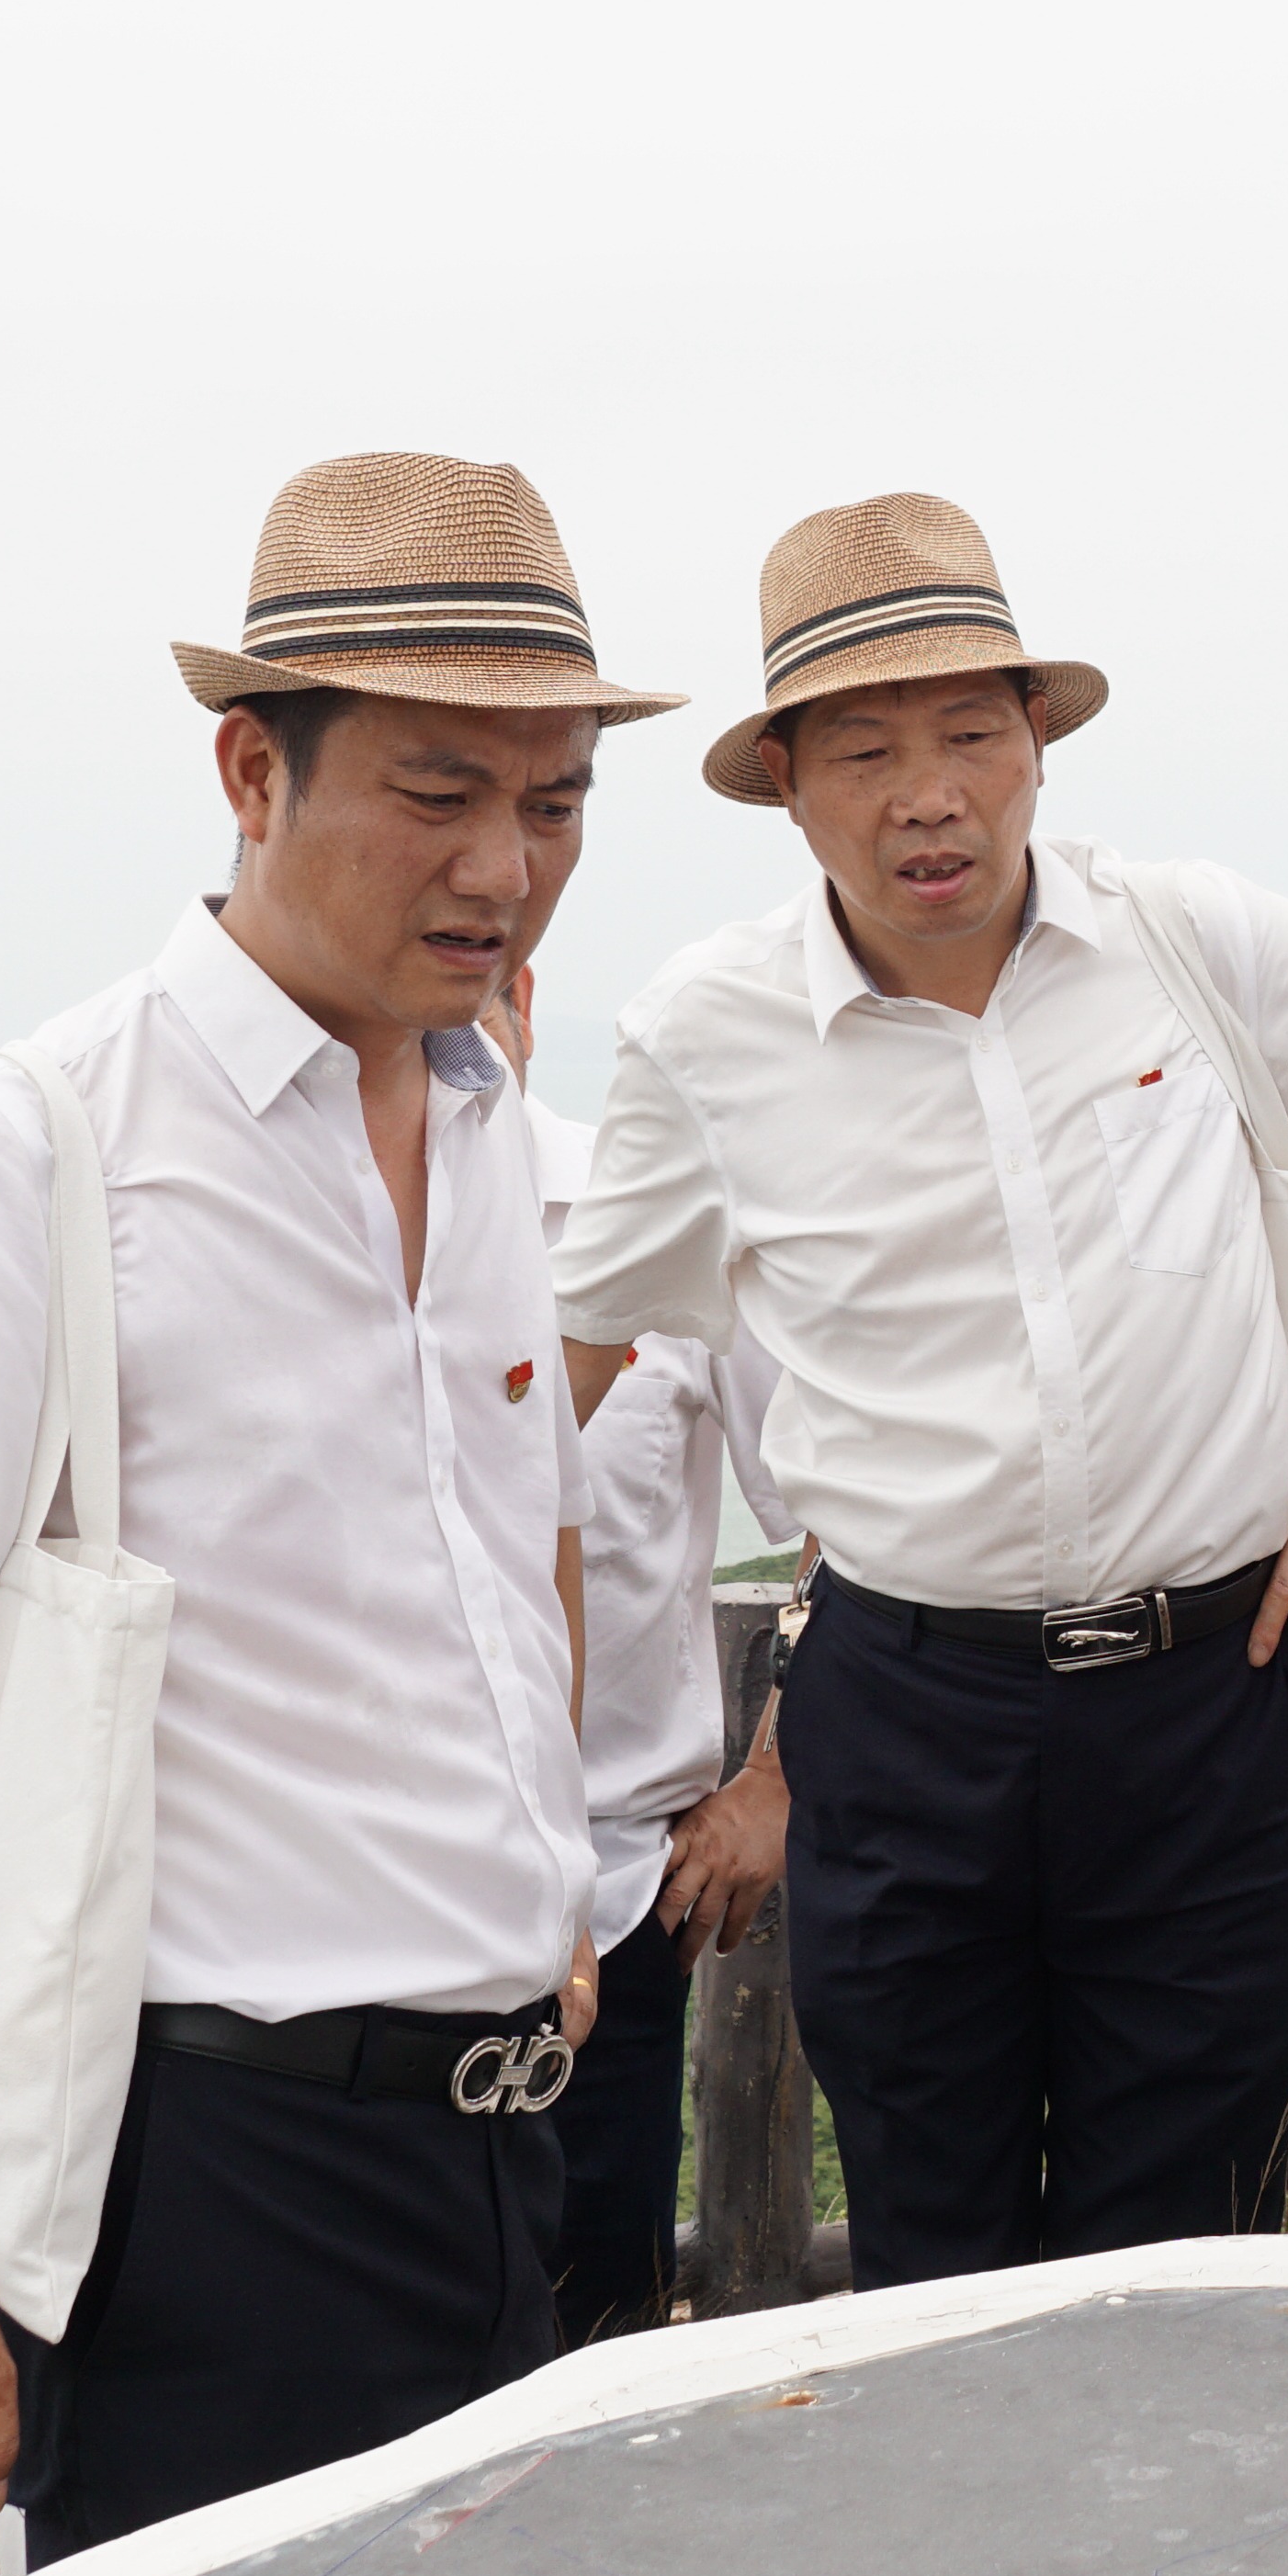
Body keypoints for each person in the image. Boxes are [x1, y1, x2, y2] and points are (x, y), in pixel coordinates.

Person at [0, 453, 671, 2576]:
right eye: (439, 791)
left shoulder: (492, 1129)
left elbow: (518, 1544)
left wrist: (544, 1875)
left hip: (497, 2138)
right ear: (253, 770)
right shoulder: (42, 1145)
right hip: (198, 2170)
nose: (506, 865)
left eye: (554, 802)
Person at [550, 493, 1288, 2288]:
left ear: (1038, 740)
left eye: (971, 733)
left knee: (1193, 2253)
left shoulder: (1193, 941)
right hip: (904, 1719)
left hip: (1207, 1699)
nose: (930, 795)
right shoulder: (707, 1033)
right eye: (866, 751)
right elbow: (554, 1386)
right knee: (936, 2258)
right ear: (788, 784)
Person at [497, 980, 797, 2345]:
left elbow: (841, 1502)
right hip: (343, 1925)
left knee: (589, 2338)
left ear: (522, 996)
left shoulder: (662, 1219)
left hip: (619, 1906)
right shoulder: (297, 1246)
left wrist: (775, 1776)